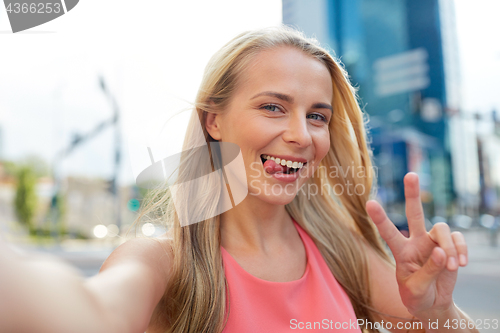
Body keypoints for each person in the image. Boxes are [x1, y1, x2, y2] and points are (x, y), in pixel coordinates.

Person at [0, 25, 478, 333]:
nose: (300, 135)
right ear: (215, 121)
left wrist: (438, 318)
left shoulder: (342, 251)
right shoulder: (164, 262)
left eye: (317, 116)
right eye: (273, 107)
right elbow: (89, 313)